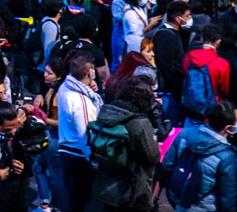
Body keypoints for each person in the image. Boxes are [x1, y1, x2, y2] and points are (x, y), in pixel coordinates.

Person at [88, 75, 161, 212]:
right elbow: (153, 157)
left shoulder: (106, 113)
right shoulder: (139, 123)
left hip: (104, 181)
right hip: (129, 189)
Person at [160, 101, 237, 212]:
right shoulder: (227, 156)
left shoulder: (185, 134)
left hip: (180, 201)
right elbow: (228, 196)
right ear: (229, 128)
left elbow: (167, 166)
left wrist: (175, 191)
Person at [55, 54, 102, 212]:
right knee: (82, 203)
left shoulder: (65, 87)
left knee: (72, 200)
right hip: (79, 155)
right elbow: (85, 134)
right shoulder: (79, 100)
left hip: (67, 150)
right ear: (89, 72)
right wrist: (93, 161)